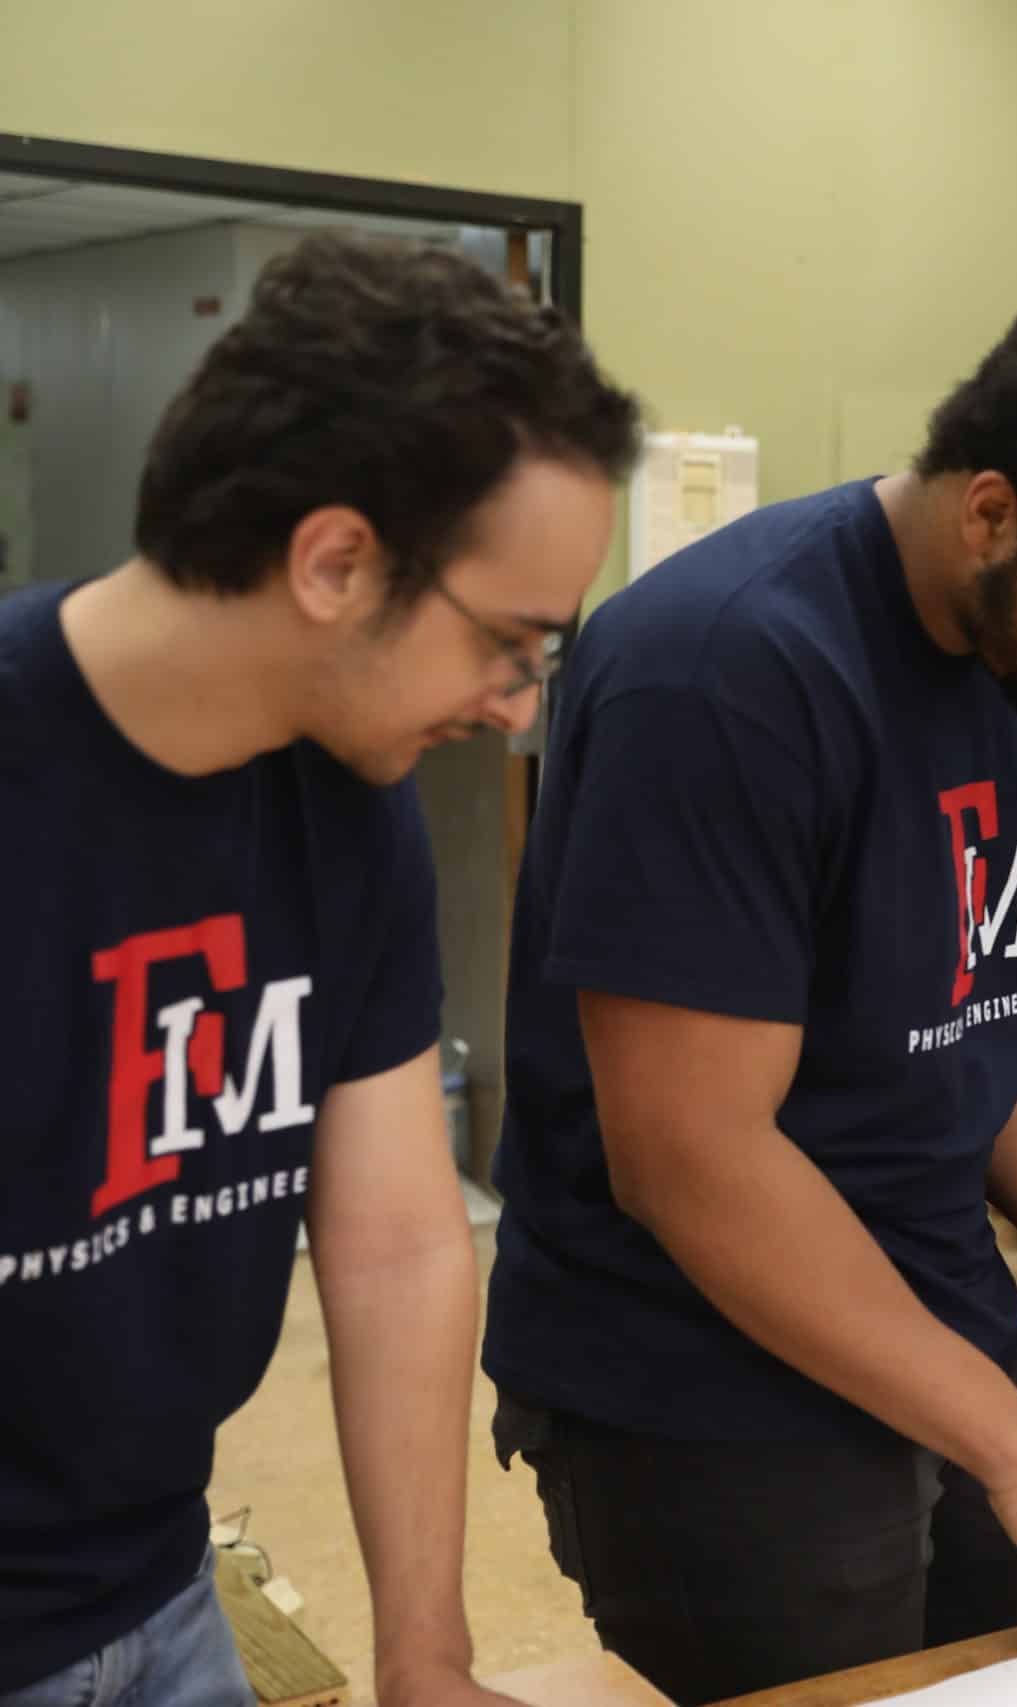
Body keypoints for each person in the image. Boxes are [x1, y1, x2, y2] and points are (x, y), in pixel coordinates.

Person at [481, 278, 1017, 1705]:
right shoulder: (724, 670)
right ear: (991, 512)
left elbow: (985, 1017)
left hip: (941, 1334)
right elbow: (693, 1158)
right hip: (707, 1388)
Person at [0, 234, 640, 1707]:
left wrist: (428, 1652)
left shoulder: (344, 813)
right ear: (337, 559)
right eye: (511, 640)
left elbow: (401, 1239)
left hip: (160, 1596)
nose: (520, 700)